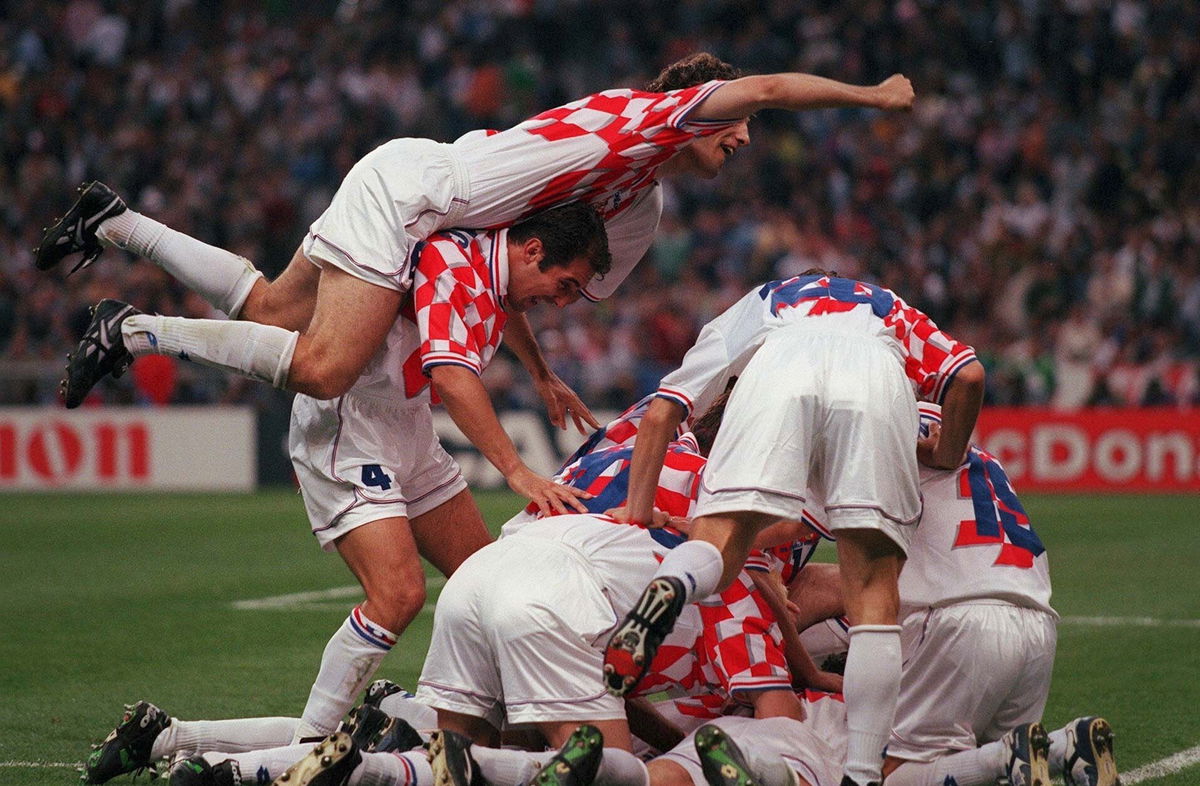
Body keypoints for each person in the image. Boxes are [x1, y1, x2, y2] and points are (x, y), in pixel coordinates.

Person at [38, 53, 914, 411]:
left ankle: (116, 222)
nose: (744, 140)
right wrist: (872, 96)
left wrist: (540, 371)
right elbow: (761, 90)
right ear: (699, 110)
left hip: (414, 185)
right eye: (733, 130)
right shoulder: (652, 120)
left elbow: (517, 271)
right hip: (420, 197)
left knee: (269, 311)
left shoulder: (635, 203)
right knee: (327, 368)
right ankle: (131, 331)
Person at [81, 202, 611, 786]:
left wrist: (538, 370)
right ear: (532, 251)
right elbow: (454, 376)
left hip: (407, 425)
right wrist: (517, 472)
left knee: (484, 588)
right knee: (399, 593)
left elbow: (504, 305)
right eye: (565, 286)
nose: (563, 302)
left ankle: (169, 736)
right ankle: (297, 758)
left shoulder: (493, 262)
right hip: (349, 426)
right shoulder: (454, 261)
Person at [603, 271, 985, 786]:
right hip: (873, 375)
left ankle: (678, 582)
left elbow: (664, 410)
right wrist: (949, 451)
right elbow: (969, 377)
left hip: (776, 369)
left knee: (722, 540)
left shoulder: (764, 300)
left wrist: (639, 510)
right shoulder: (888, 307)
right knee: (874, 591)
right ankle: (863, 774)